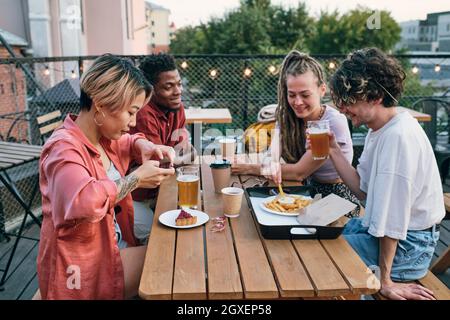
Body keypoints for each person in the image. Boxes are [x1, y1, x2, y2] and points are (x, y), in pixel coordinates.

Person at [37, 54, 175, 299]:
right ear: (101, 104)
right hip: (82, 270)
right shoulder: (62, 150)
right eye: (131, 112)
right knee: (171, 257)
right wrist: (136, 180)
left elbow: (129, 140)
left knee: (170, 245)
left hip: (110, 243)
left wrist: (143, 145)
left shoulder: (101, 138)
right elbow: (85, 201)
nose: (133, 123)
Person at [327, 47, 445, 300]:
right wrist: (333, 149)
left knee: (323, 255)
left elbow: (393, 219)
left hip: (408, 246)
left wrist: (385, 281)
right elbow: (362, 189)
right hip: (389, 233)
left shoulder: (398, 137)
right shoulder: (380, 128)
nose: (342, 108)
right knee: (316, 234)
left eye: (349, 101)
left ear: (376, 95)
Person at [232, 50, 360, 216]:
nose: (297, 102)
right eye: (291, 95)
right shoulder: (287, 117)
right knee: (254, 211)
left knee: (287, 225)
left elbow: (299, 172)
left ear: (322, 90)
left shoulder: (334, 122)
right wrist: (270, 163)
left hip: (338, 196)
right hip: (307, 190)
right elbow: (272, 154)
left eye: (305, 95)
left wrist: (248, 168)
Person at [129, 53, 195, 242]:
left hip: (162, 187)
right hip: (135, 196)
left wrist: (177, 156)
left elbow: (184, 146)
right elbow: (159, 159)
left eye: (179, 84)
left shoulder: (177, 107)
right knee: (161, 236)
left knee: (191, 217)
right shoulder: (143, 114)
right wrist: (179, 157)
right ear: (150, 90)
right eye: (168, 87)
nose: (178, 91)